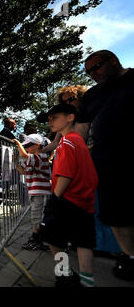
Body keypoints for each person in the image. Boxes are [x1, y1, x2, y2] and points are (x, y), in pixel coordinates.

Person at [75, 50, 134, 280]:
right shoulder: (92, 95)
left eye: (96, 67)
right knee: (115, 215)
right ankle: (130, 256)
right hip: (106, 162)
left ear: (113, 60)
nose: (92, 74)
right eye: (88, 72)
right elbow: (81, 130)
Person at [39, 104, 99, 287]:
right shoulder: (78, 140)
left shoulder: (67, 141)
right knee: (84, 240)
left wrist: (54, 199)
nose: (50, 121)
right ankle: (87, 281)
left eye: (54, 117)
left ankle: (64, 275)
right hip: (85, 200)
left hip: (67, 198)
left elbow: (65, 173)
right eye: (48, 118)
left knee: (51, 236)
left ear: (70, 117)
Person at [13, 134, 51, 251]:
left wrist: (18, 144)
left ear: (37, 145)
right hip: (34, 192)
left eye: (28, 145)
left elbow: (24, 156)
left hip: (41, 192)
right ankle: (38, 239)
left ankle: (38, 240)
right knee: (36, 216)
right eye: (25, 146)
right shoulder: (32, 159)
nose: (26, 148)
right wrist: (16, 163)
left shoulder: (42, 157)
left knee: (38, 216)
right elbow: (23, 171)